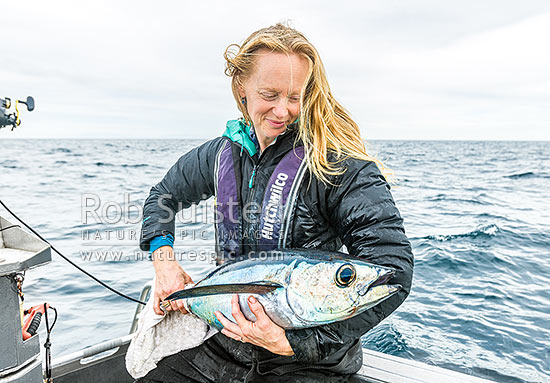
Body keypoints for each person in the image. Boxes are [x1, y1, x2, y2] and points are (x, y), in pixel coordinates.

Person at [137, 23, 414, 383]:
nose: (282, 110)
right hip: (226, 346)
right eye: (270, 94)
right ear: (242, 89)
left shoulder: (338, 165)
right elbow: (162, 197)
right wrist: (165, 263)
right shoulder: (220, 154)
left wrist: (296, 342)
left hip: (309, 362)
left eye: (294, 97)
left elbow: (395, 269)